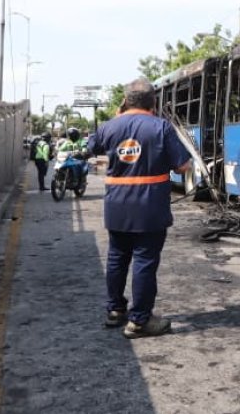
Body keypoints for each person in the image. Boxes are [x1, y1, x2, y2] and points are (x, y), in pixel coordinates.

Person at [85, 78, 190, 338]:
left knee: (117, 258)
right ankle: (140, 320)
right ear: (153, 101)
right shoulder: (161, 127)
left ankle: (115, 311)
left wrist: (118, 116)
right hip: (149, 207)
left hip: (117, 206)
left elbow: (92, 148)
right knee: (144, 260)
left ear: (125, 101)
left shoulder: (110, 126)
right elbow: (183, 166)